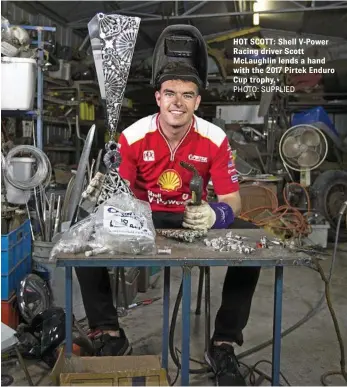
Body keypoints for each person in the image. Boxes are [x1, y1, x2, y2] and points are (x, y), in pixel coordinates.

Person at [76, 61, 260, 386]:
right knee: (85, 234)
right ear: (158, 97)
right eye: (171, 94)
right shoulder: (132, 136)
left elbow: (233, 198)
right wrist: (103, 198)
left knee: (252, 241)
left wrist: (216, 214)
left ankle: (223, 343)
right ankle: (109, 331)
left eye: (187, 95)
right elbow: (120, 193)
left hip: (193, 216)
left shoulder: (214, 137)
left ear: (197, 102)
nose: (178, 102)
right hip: (142, 217)